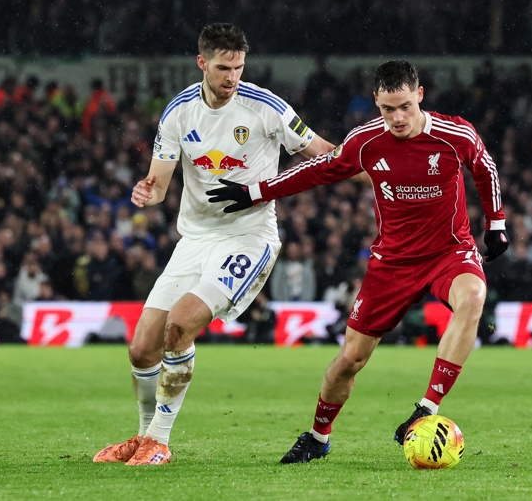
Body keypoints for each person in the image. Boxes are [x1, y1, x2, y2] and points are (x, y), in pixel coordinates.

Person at [207, 60, 509, 463]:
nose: (397, 118)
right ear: (376, 102)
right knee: (350, 359)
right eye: (387, 109)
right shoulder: (365, 142)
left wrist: (496, 222)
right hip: (392, 262)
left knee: (472, 297)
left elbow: (485, 167)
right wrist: (255, 192)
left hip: (448, 252)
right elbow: (318, 170)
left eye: (405, 106)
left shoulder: (455, 134)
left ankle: (427, 408)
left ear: (420, 95)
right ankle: (318, 437)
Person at [92, 23, 335, 466]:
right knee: (142, 347)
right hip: (195, 239)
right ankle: (142, 435)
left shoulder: (266, 108)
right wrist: (148, 191)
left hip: (248, 237)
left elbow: (320, 150)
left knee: (179, 326)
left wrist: (377, 169)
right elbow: (159, 183)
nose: (232, 77)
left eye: (239, 68)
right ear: (202, 63)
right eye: (224, 68)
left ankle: (159, 441)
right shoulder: (179, 112)